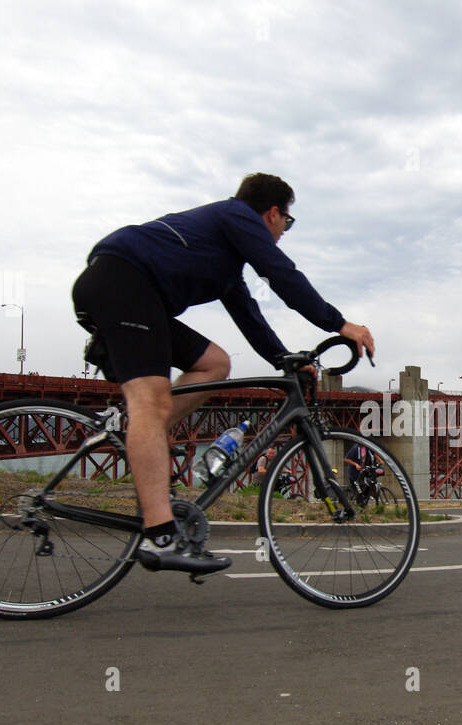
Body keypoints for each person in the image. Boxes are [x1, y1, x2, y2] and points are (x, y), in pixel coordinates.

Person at [72, 173, 375, 574]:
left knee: (215, 363)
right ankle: (161, 536)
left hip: (134, 295)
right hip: (122, 283)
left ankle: (141, 432)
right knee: (151, 401)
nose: (285, 230)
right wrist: (339, 324)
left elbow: (250, 317)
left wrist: (284, 359)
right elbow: (280, 273)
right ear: (272, 213)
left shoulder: (225, 261)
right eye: (288, 221)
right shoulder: (236, 214)